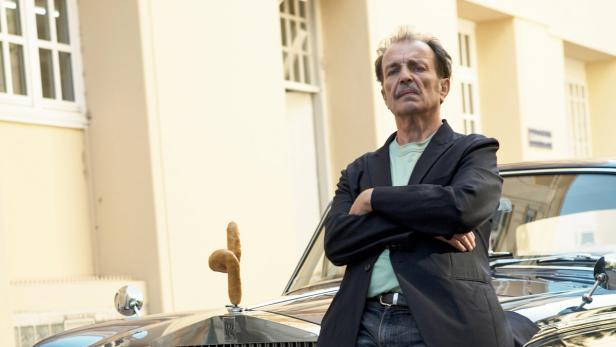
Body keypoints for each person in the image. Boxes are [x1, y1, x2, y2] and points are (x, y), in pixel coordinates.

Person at [317, 28, 523, 347]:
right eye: (393, 71)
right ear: (385, 93)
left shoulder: (473, 151)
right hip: (361, 325)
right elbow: (337, 243)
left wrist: (374, 199)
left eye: (418, 67)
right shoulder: (359, 170)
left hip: (442, 324)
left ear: (444, 87)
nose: (405, 76)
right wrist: (424, 227)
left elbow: (460, 207)